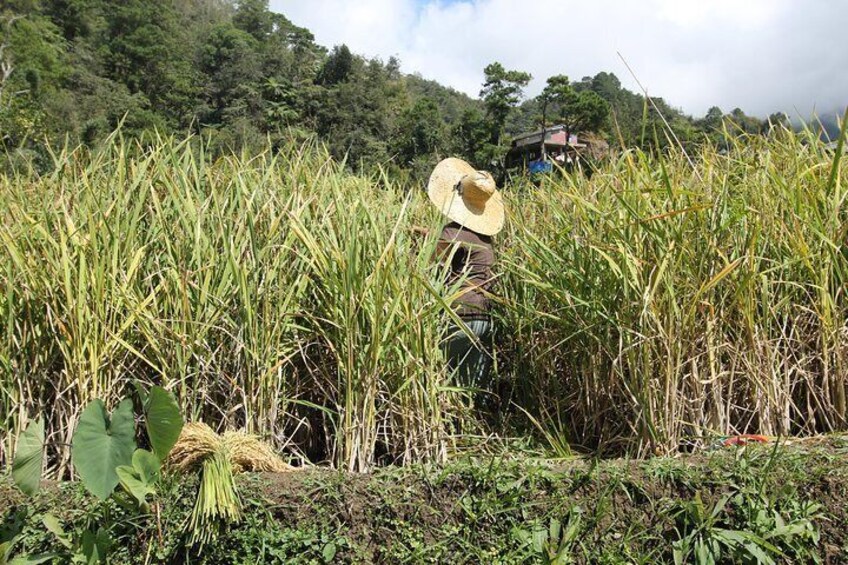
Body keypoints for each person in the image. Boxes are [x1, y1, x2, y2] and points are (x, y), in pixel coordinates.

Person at [425, 157, 505, 390]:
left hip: (458, 315)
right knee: (474, 387)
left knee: (443, 383)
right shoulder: (486, 239)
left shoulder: (452, 231)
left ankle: (450, 424)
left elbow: (431, 262)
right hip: (483, 316)